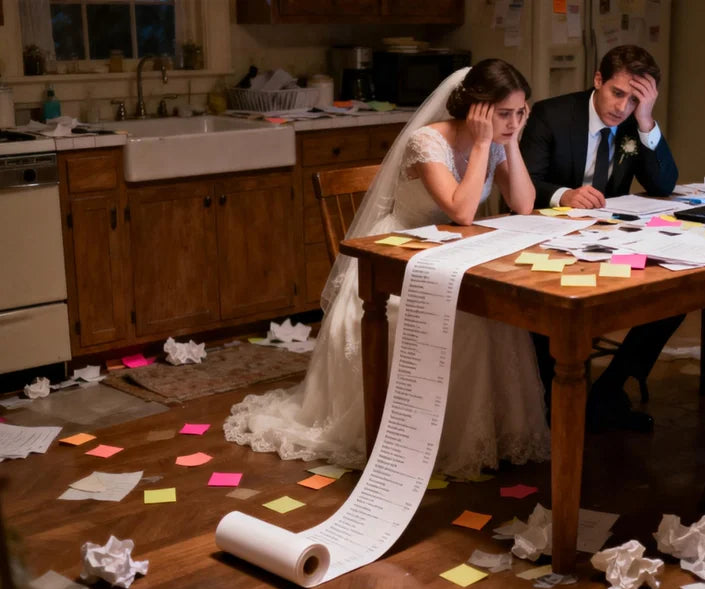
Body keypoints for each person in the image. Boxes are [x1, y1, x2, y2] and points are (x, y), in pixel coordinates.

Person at [224, 60, 550, 479]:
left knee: (491, 312)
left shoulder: (503, 139)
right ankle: (418, 436)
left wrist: (513, 142)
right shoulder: (426, 143)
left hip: (448, 256)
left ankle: (481, 434)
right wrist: (487, 146)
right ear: (476, 108)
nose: (513, 121)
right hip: (397, 259)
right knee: (464, 322)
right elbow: (462, 212)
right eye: (504, 113)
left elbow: (523, 204)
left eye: (521, 112)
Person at [520, 45, 682, 433]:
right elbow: (524, 182)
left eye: (634, 99)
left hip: (609, 239)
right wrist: (565, 196)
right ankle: (552, 402)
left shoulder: (633, 123)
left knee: (673, 296)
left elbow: (663, 183)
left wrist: (646, 121)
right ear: (597, 80)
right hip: (545, 237)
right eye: (617, 93)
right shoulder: (552, 115)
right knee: (563, 310)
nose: (622, 107)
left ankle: (609, 390)